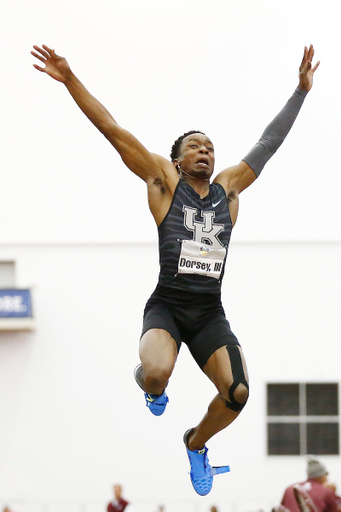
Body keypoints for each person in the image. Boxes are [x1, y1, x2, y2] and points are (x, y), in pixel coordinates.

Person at [31, 43, 319, 496]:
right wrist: (69, 79)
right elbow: (111, 129)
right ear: (178, 159)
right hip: (167, 307)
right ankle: (147, 381)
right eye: (193, 146)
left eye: (209, 145)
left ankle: (195, 443)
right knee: (158, 375)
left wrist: (300, 91)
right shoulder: (162, 182)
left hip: (208, 313)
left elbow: (269, 142)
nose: (203, 150)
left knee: (239, 393)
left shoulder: (230, 189)